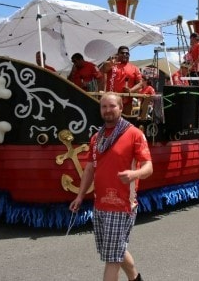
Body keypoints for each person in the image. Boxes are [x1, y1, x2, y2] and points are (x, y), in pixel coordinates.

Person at [69, 92, 153, 281]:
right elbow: (90, 168)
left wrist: (134, 174)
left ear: (121, 108)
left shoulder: (134, 134)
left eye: (112, 106)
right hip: (100, 205)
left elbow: (149, 167)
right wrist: (80, 196)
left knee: (112, 259)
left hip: (122, 206)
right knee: (117, 251)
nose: (107, 110)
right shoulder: (97, 137)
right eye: (104, 107)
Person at [102, 46, 143, 115]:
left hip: (127, 102)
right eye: (122, 53)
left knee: (126, 122)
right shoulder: (112, 65)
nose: (125, 55)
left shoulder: (135, 68)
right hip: (111, 101)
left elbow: (140, 84)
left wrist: (131, 90)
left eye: (127, 53)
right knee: (112, 122)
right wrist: (110, 64)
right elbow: (104, 68)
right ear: (118, 54)